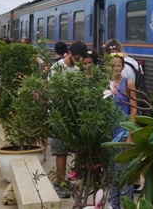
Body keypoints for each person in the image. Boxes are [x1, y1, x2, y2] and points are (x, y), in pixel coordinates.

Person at [48, 39, 88, 198]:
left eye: (80, 59)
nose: (78, 61)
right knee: (61, 151)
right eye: (76, 58)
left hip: (72, 116)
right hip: (58, 115)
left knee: (69, 149)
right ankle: (60, 183)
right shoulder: (57, 68)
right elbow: (52, 91)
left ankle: (62, 180)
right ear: (70, 53)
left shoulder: (76, 69)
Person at [107, 54, 137, 209]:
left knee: (124, 171)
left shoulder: (128, 84)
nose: (116, 68)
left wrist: (130, 134)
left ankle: (126, 204)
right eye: (113, 65)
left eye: (118, 65)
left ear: (123, 67)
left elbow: (134, 109)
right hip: (109, 133)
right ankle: (113, 204)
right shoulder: (105, 84)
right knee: (111, 171)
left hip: (123, 131)